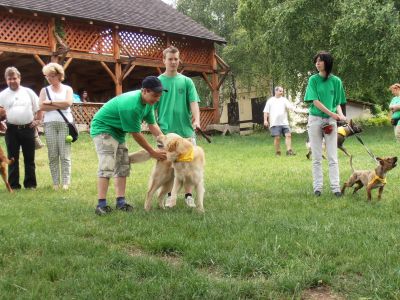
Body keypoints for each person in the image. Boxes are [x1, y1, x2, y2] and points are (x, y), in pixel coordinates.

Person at [90, 76, 167, 215]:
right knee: (107, 164)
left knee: (123, 165)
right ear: (144, 91)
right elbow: (136, 134)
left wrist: (164, 141)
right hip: (103, 128)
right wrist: (152, 152)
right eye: (155, 95)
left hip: (118, 131)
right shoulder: (131, 105)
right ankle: (101, 205)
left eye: (159, 96)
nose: (157, 99)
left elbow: (152, 124)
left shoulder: (149, 103)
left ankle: (121, 202)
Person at [155, 45, 201, 208]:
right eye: (170, 59)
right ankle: (169, 196)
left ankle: (188, 196)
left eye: (176, 59)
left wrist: (197, 119)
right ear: (164, 61)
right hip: (166, 133)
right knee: (167, 168)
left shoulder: (187, 81)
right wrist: (152, 124)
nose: (173, 62)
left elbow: (193, 103)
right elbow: (152, 105)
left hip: (186, 131)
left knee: (188, 166)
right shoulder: (158, 82)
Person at [304, 51, 346, 197]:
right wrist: (332, 114)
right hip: (315, 119)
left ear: (327, 63)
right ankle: (318, 188)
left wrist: (340, 115)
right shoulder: (313, 80)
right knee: (316, 157)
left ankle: (336, 188)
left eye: (320, 61)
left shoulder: (337, 81)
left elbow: (338, 103)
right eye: (316, 61)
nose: (317, 63)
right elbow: (315, 101)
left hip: (331, 121)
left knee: (333, 157)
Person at [0, 67, 42, 189]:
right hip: (11, 129)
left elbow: (39, 108)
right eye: (9, 79)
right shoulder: (2, 95)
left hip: (28, 128)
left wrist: (38, 120)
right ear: (6, 80)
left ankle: (30, 184)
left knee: (29, 158)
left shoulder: (28, 92)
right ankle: (14, 185)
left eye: (14, 78)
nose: (12, 81)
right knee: (12, 157)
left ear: (19, 78)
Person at [39, 62, 74, 190]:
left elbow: (68, 103)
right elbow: (42, 106)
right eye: (47, 76)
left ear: (59, 75)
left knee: (64, 154)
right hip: (49, 124)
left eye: (52, 75)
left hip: (65, 124)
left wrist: (51, 102)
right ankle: (55, 183)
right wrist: (59, 104)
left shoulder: (67, 89)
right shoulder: (44, 90)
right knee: (53, 155)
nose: (49, 78)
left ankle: (65, 182)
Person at [263, 86, 296, 156]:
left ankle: (289, 151)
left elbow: (290, 106)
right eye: (280, 91)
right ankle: (278, 152)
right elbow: (266, 111)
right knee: (277, 137)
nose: (282, 92)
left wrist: (295, 109)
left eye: (282, 91)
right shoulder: (270, 100)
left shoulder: (284, 100)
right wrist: (265, 120)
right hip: (274, 123)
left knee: (288, 135)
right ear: (276, 91)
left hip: (284, 122)